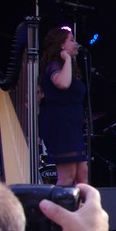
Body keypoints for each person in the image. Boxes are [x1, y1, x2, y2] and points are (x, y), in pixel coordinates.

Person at [38, 25, 88, 186]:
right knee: (67, 177)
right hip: (60, 125)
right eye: (71, 40)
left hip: (72, 126)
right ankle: (55, 203)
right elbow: (63, 84)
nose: (75, 43)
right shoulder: (55, 64)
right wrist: (66, 59)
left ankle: (82, 203)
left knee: (82, 176)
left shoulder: (69, 67)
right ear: (61, 45)